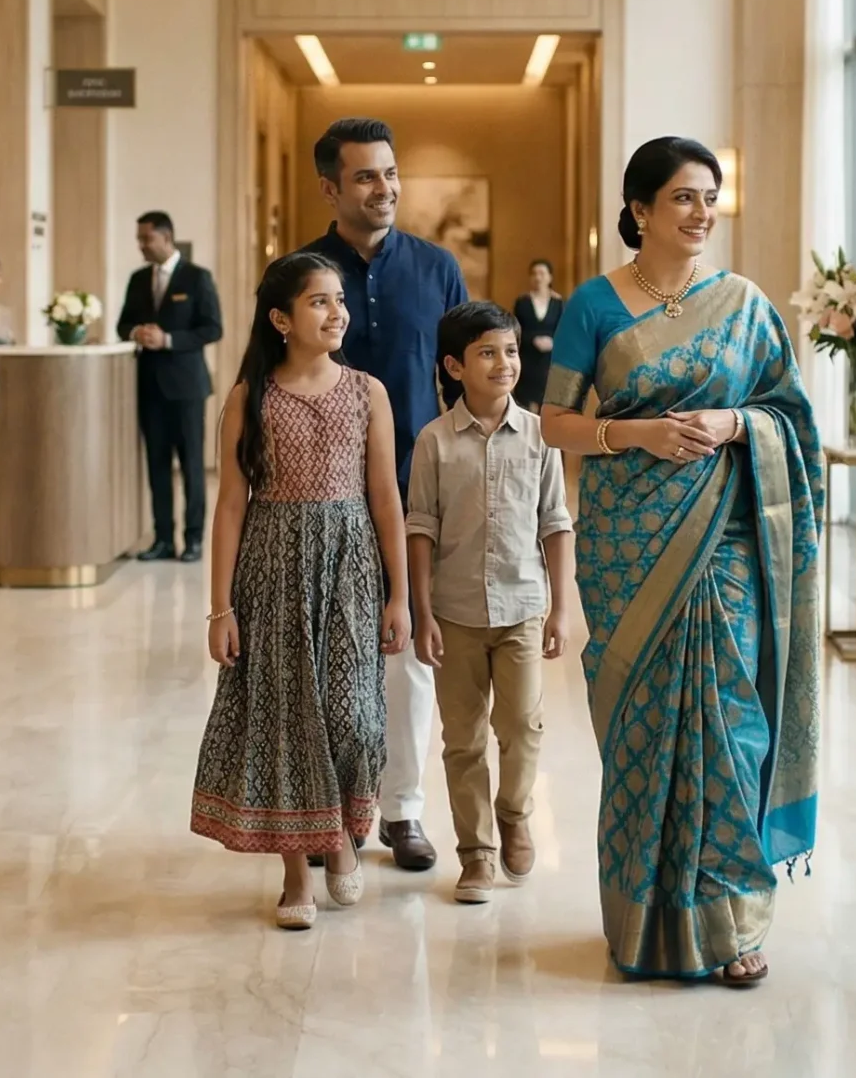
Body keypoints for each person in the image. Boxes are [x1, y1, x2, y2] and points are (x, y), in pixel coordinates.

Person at [539, 136, 823, 987]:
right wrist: (638, 434)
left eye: (710, 198)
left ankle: (734, 922)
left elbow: (789, 413)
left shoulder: (743, 302)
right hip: (627, 540)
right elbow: (553, 423)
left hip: (726, 535)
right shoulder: (594, 304)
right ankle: (642, 924)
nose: (701, 214)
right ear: (639, 210)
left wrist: (736, 424)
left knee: (730, 721)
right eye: (683, 199)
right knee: (641, 729)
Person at [190, 252, 411, 931]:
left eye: (339, 299)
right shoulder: (249, 396)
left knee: (354, 718)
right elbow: (230, 505)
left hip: (349, 567)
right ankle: (295, 869)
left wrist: (399, 594)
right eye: (319, 301)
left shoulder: (367, 391)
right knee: (285, 722)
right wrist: (221, 607)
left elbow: (384, 497)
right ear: (282, 318)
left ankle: (341, 831)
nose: (336, 311)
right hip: (273, 569)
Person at [302, 116, 469, 873]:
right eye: (366, 176)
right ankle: (338, 809)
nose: (385, 188)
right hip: (319, 500)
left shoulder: (436, 269)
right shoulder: (300, 273)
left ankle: (403, 809)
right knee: (326, 661)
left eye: (391, 173)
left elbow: (461, 383)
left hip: (416, 495)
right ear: (331, 187)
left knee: (407, 657)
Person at [406, 301, 574, 906]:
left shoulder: (540, 434)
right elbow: (419, 527)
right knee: (462, 738)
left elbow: (555, 520)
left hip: (523, 606)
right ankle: (475, 852)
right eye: (487, 353)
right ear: (454, 366)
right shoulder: (434, 442)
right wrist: (422, 613)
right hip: (453, 614)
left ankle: (515, 812)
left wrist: (559, 608)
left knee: (523, 726)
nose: (505, 363)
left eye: (510, 350)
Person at [116, 212, 224, 562]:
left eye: (146, 239)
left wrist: (169, 339)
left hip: (187, 389)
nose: (141, 246)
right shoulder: (137, 280)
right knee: (157, 466)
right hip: (149, 388)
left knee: (192, 465)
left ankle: (193, 540)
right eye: (139, 239)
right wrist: (137, 334)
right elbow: (123, 324)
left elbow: (212, 328)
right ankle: (163, 538)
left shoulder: (197, 278)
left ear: (166, 238)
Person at [511, 258, 563, 409]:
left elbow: (565, 331)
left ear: (550, 277)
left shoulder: (559, 303)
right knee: (525, 403)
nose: (538, 277)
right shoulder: (522, 302)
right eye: (534, 273)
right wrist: (533, 340)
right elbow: (515, 331)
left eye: (542, 273)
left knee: (548, 403)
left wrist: (553, 341)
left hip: (550, 361)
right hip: (527, 358)